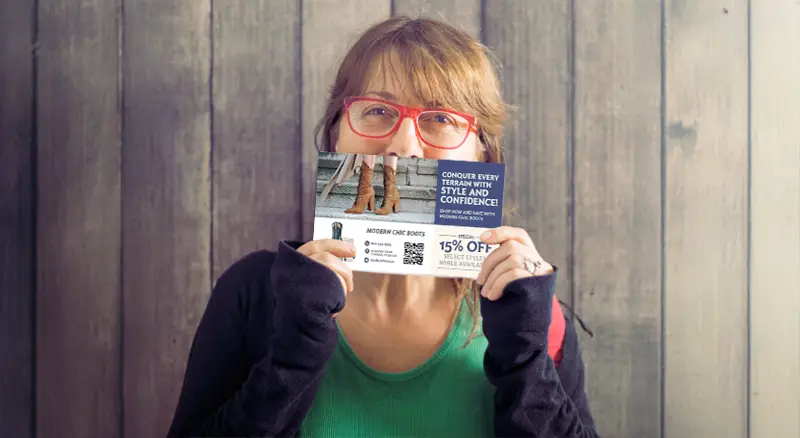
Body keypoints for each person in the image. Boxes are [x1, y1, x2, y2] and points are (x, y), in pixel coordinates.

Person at [167, 16, 598, 437]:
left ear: (481, 154)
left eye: (441, 118)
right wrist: (292, 353)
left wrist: (526, 359)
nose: (403, 144)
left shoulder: (534, 317)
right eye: (376, 109)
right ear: (337, 137)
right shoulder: (256, 292)